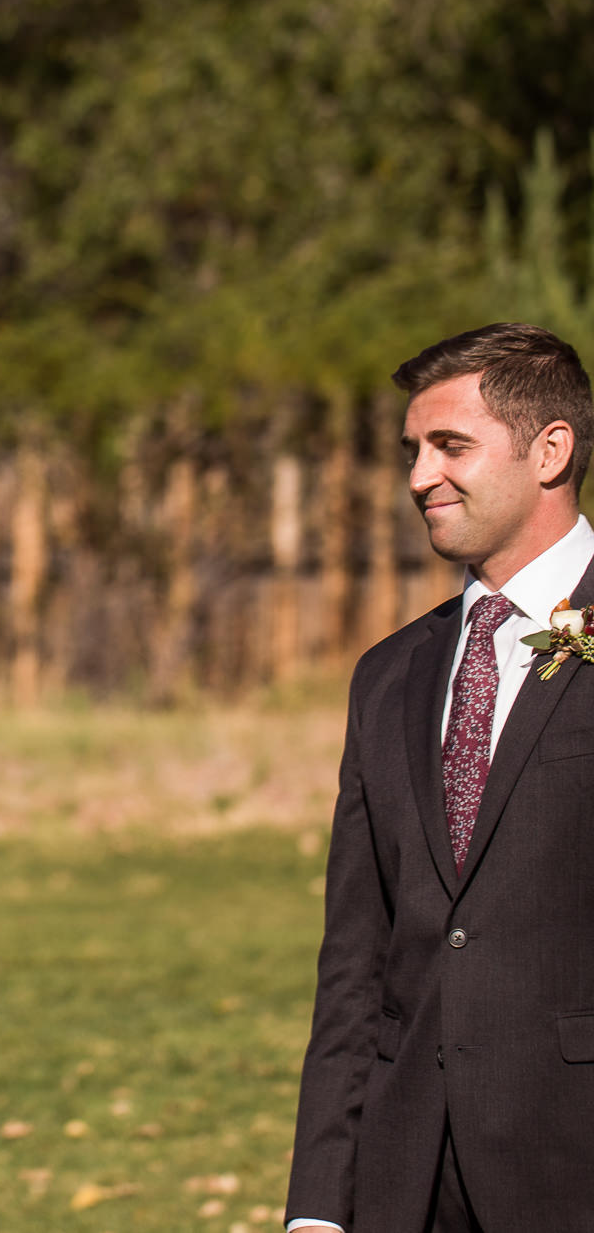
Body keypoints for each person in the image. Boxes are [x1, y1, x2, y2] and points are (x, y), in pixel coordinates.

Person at [286, 324, 594, 1233]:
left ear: (551, 450)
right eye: (413, 450)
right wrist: (319, 1208)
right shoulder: (389, 675)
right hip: (405, 1173)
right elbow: (356, 958)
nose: (419, 476)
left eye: (449, 445)